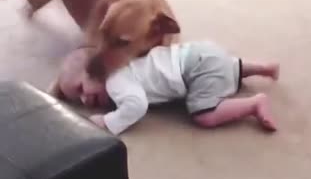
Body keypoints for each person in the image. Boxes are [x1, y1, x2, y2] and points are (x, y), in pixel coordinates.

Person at [55, 41, 279, 135]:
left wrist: (108, 121)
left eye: (81, 88)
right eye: (78, 99)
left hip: (193, 68)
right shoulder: (124, 61)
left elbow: (137, 104)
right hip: (197, 53)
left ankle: (254, 103)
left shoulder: (115, 82)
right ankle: (263, 68)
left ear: (96, 68)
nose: (84, 100)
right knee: (225, 68)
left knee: (204, 114)